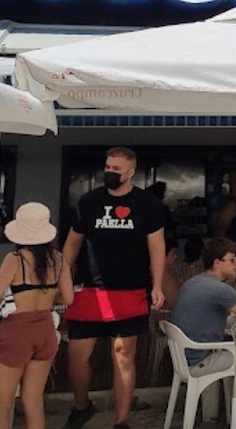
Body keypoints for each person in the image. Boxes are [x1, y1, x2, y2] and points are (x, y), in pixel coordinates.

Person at [62, 146, 166, 429]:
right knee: (77, 355)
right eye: (107, 167)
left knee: (122, 356)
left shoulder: (147, 204)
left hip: (131, 289)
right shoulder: (88, 201)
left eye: (116, 169)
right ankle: (81, 406)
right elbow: (72, 243)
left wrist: (157, 285)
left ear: (130, 172)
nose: (110, 172)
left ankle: (122, 420)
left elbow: (157, 247)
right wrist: (63, 278)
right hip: (89, 289)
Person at [172, 238, 236, 429]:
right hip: (202, 360)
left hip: (185, 358)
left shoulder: (195, 282)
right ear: (217, 263)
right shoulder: (218, 289)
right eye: (232, 260)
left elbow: (230, 301)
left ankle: (229, 415)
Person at [0, 203, 74, 429]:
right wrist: (46, 295)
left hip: (16, 334)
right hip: (45, 332)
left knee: (2, 405)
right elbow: (68, 298)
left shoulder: (15, 259)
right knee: (33, 402)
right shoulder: (59, 259)